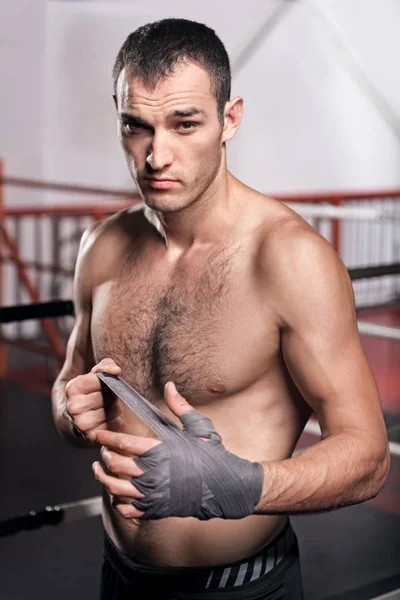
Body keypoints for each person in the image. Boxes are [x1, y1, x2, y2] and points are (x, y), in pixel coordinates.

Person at [51, 18, 390, 600]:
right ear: (118, 116)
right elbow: (71, 383)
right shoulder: (102, 247)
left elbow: (368, 456)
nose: (157, 155)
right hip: (120, 576)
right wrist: (69, 409)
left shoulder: (289, 260)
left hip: (242, 586)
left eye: (185, 125)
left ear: (229, 118)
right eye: (137, 126)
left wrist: (241, 486)